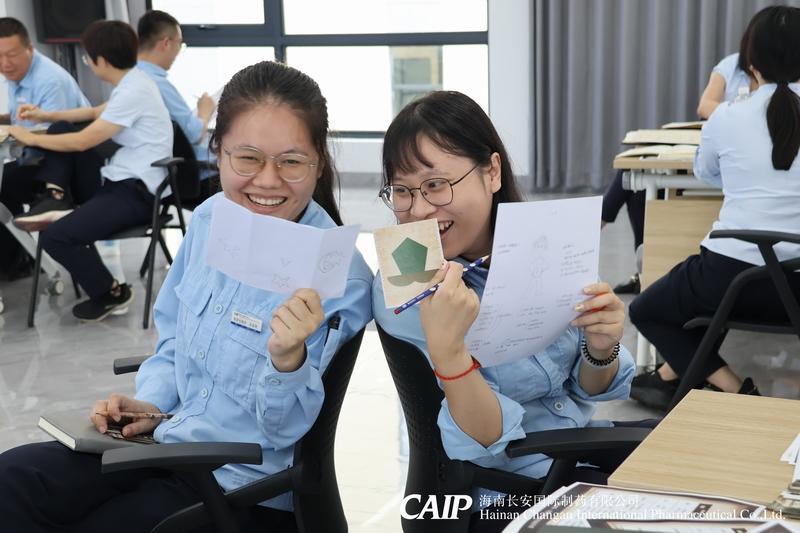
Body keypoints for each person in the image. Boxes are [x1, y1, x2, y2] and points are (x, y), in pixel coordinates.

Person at [0, 60, 373, 533]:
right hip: (165, 444)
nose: (268, 180)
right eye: (248, 158)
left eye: (292, 162)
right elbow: (174, 338)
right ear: (217, 153)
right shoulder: (211, 219)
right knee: (12, 480)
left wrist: (287, 361)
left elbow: (284, 434)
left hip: (238, 484)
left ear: (319, 163)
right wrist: (151, 406)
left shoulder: (337, 277)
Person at [373, 91, 648, 532]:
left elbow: (590, 389)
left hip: (580, 455)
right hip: (501, 495)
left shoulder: (547, 242)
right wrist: (451, 356)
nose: (419, 209)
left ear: (492, 172)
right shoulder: (410, 280)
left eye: (436, 184)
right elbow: (484, 440)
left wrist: (601, 348)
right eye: (402, 191)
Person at [629, 5, 800, 412]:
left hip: (728, 279)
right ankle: (671, 379)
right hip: (797, 284)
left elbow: (706, 173)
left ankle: (738, 393)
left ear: (750, 63)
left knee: (646, 310)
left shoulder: (726, 116)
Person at [7, 20, 171, 321]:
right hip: (117, 180)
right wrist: (45, 115)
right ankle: (55, 197)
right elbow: (93, 112)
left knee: (55, 237)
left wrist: (28, 136)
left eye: (87, 58)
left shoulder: (134, 91)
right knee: (60, 127)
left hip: (137, 193)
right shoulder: (133, 82)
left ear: (101, 61)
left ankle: (112, 292)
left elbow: (84, 140)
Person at [600, 10, 763, 295]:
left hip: (741, 162)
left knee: (637, 180)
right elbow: (705, 106)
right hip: (717, 145)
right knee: (637, 172)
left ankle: (596, 230)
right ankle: (646, 270)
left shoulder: (781, 84)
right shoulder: (731, 66)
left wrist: (736, 115)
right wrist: (736, 115)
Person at [0, 16, 89, 280]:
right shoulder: (17, 74)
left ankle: (14, 264)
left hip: (65, 167)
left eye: (11, 55)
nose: (4, 63)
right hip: (36, 157)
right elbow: (21, 119)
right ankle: (15, 262)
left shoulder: (50, 80)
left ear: (29, 49)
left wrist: (12, 131)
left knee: (5, 187)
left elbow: (53, 136)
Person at [136, 9, 219, 204]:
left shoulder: (131, 79)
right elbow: (194, 133)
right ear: (166, 43)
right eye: (179, 44)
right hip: (197, 174)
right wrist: (205, 111)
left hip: (161, 174)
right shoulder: (157, 84)